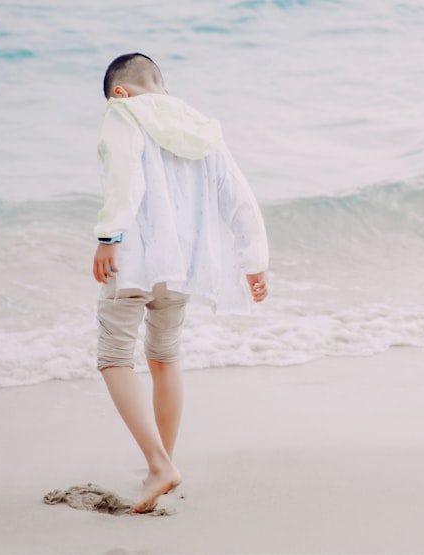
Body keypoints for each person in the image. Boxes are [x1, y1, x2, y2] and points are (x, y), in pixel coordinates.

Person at [91, 52, 269, 513]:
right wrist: (255, 259)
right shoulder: (202, 127)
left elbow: (124, 176)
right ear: (163, 89)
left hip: (133, 260)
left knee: (114, 358)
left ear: (119, 91)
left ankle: (158, 465)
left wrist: (109, 238)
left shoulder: (122, 112)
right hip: (184, 265)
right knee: (164, 358)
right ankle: (162, 461)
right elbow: (238, 195)